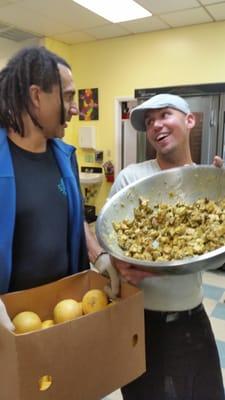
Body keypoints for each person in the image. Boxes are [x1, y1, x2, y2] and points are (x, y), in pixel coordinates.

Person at [110, 94, 225, 400]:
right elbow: (111, 245)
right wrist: (114, 266)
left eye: (164, 115)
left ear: (191, 120)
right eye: (149, 122)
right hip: (140, 321)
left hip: (192, 316)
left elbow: (213, 260)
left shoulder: (208, 185)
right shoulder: (131, 180)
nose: (156, 125)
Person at [0, 46, 118, 330]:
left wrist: (99, 256)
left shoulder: (65, 156)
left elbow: (75, 219)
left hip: (64, 313)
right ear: (36, 96)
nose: (76, 108)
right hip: (13, 320)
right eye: (67, 97)